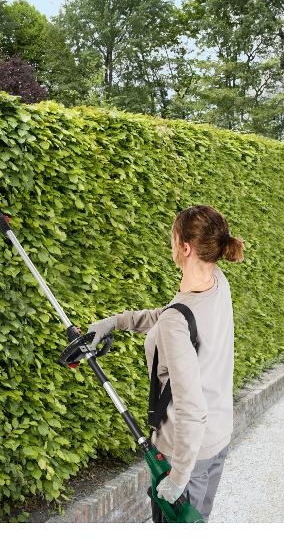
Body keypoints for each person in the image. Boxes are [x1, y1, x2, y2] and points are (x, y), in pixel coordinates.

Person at [86, 205, 244, 522]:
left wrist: (178, 477)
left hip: (185, 452)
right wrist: (115, 322)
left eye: (173, 238)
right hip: (217, 437)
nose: (171, 245)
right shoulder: (217, 282)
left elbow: (190, 407)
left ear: (184, 247)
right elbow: (174, 315)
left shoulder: (178, 319)